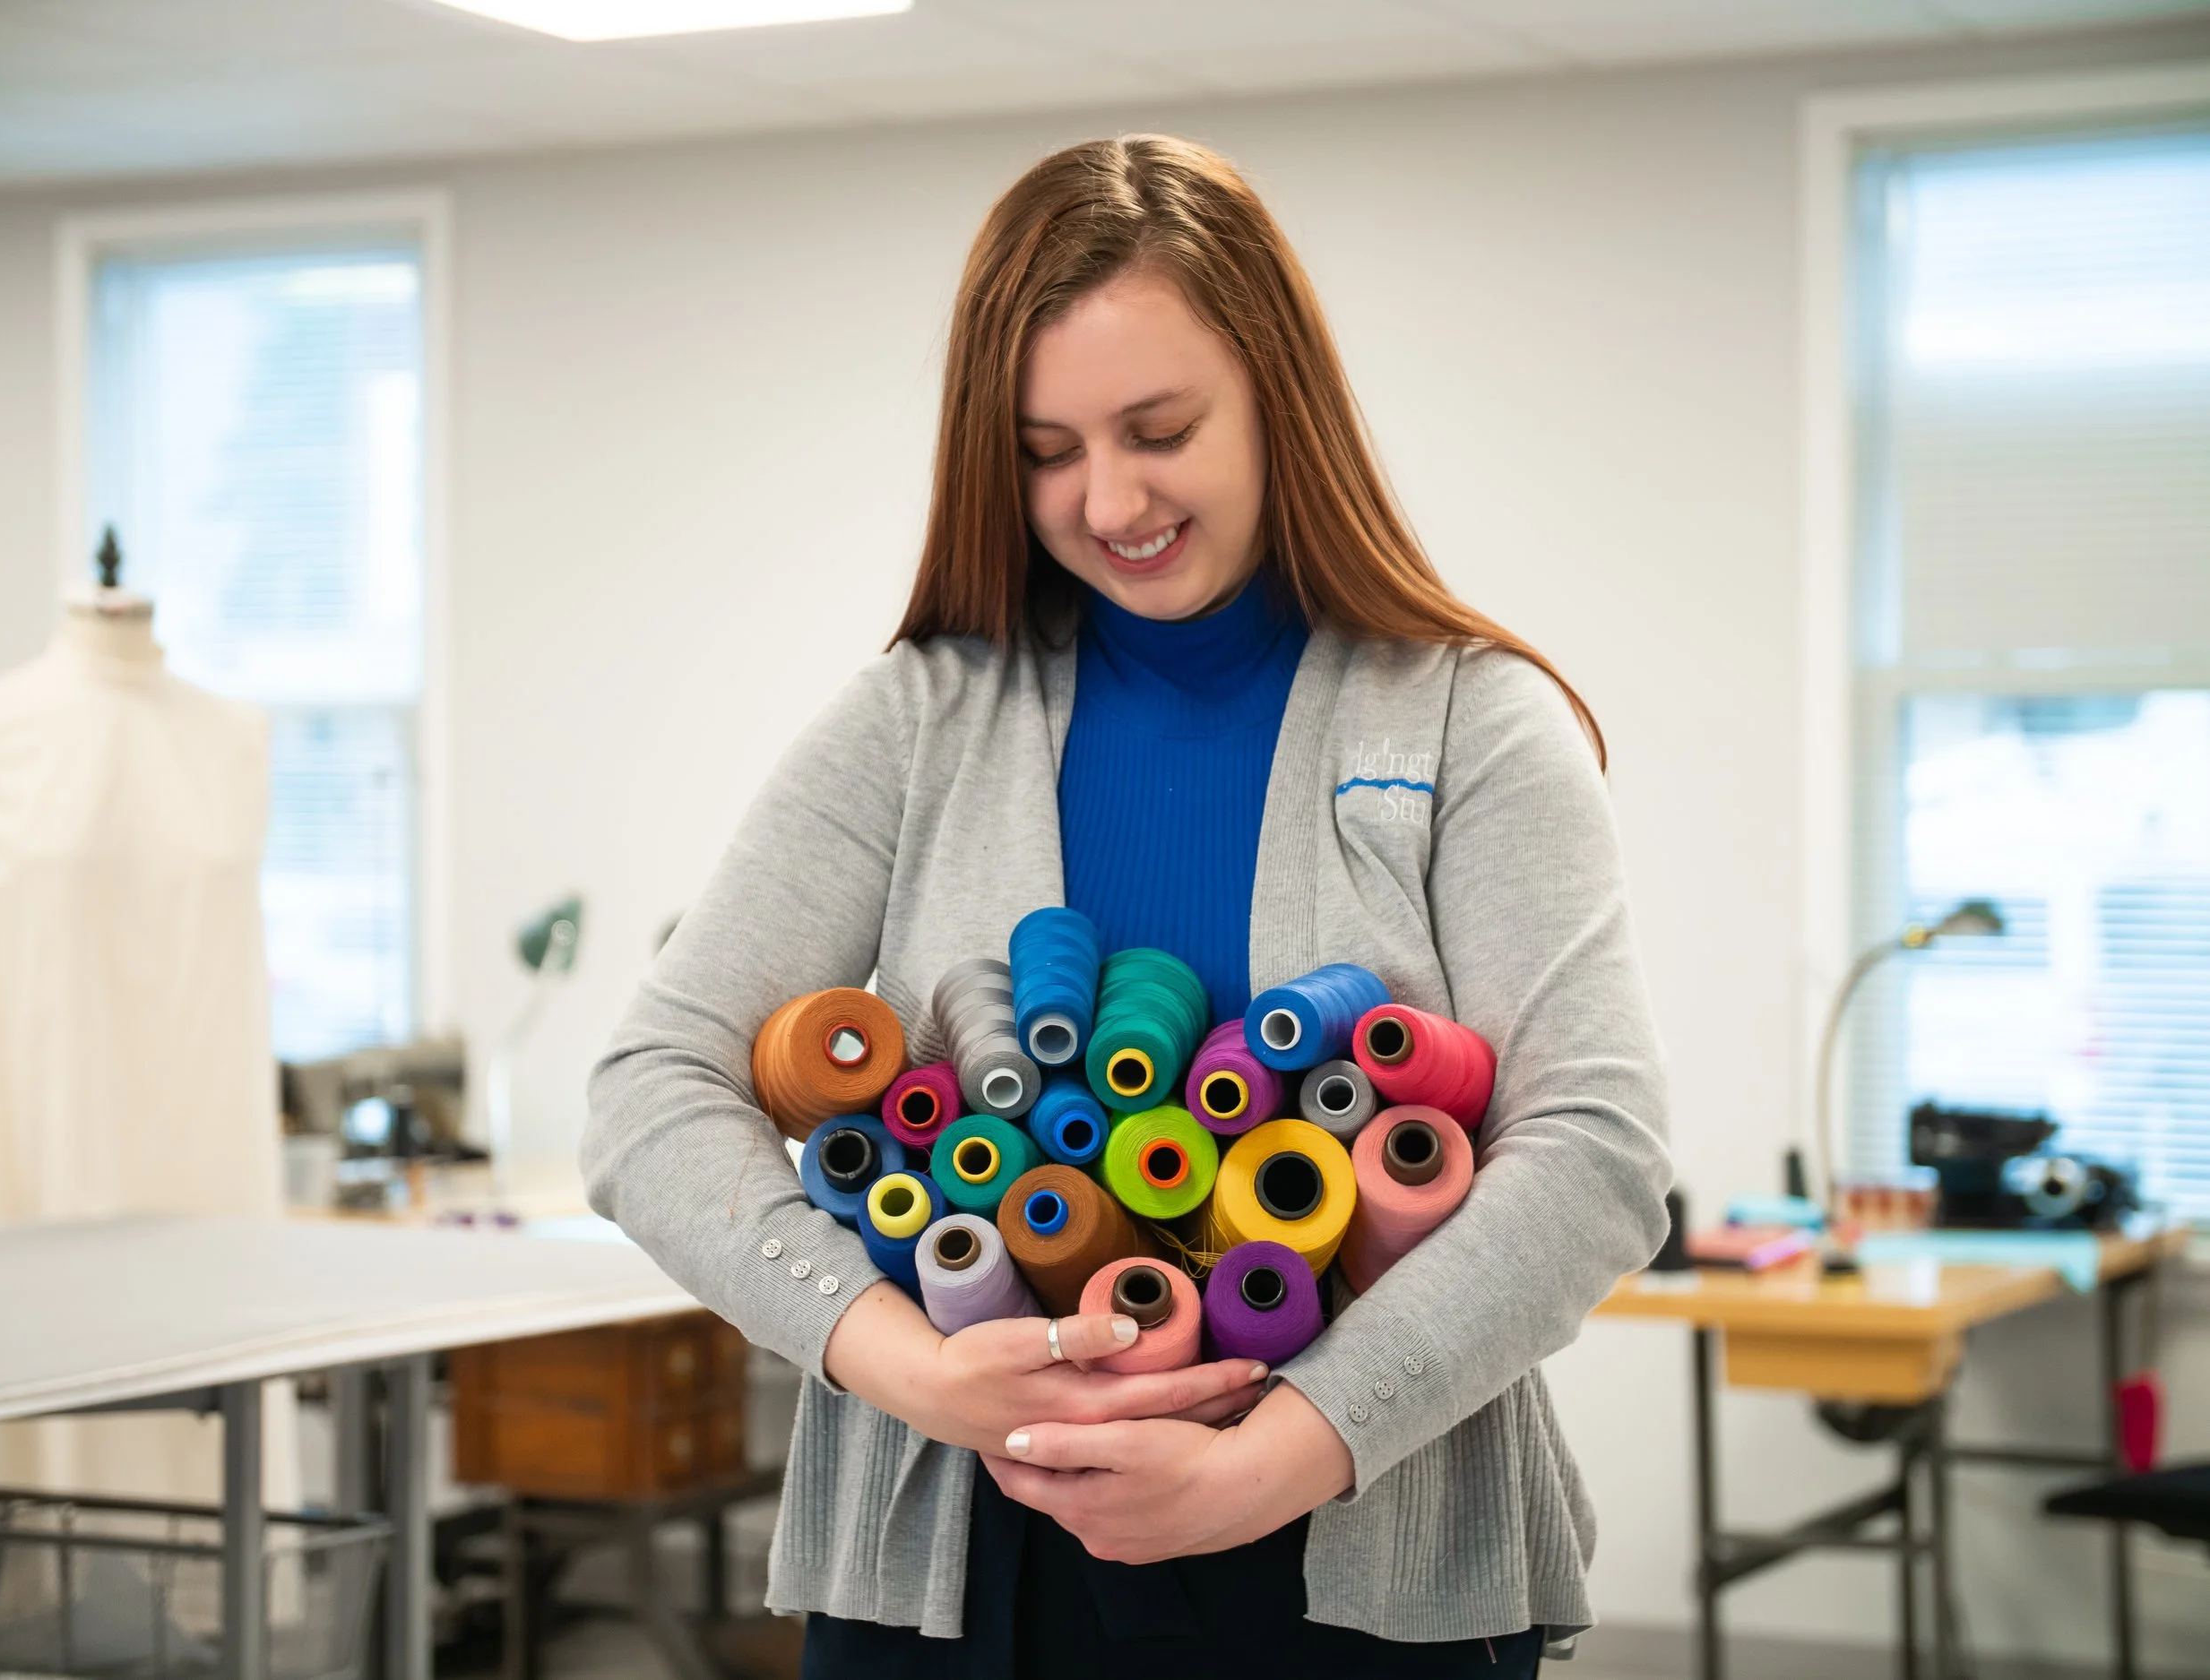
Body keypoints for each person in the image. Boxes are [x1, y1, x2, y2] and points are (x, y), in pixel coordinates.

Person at [583, 134, 1670, 1678]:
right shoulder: (917, 723)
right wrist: (917, 1370)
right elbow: (649, 1094)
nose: (1110, 498)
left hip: (1349, 1551)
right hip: (959, 1558)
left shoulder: (1466, 723)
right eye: (1046, 449)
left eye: (1161, 429)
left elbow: (1597, 1152)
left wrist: (1273, 1456)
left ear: (1279, 398)